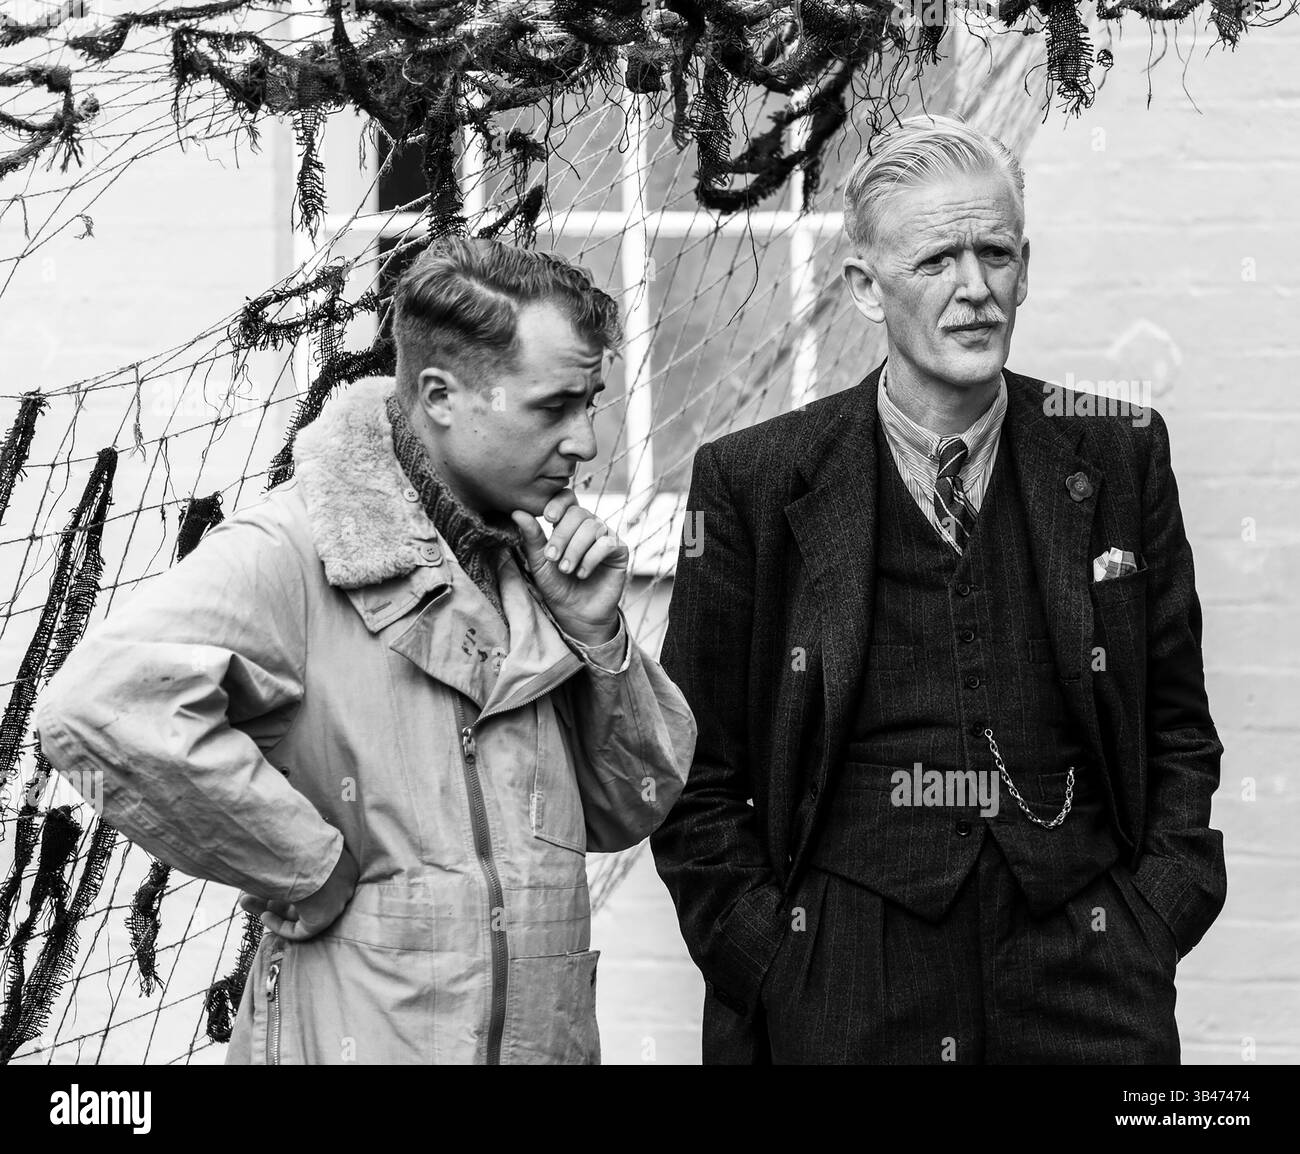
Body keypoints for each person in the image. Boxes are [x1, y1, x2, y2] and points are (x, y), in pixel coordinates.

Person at [36, 236, 696, 1065]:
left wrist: (598, 638)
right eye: (554, 407)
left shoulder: (532, 558)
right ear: (440, 394)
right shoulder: (297, 545)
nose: (587, 443)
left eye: (591, 403)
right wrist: (306, 864)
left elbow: (632, 805)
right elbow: (95, 708)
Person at [651, 115, 1225, 1064]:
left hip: (1086, 967)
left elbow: (1177, 725)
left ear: (1026, 266)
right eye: (936, 261)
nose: (975, 289)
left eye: (995, 253)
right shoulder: (755, 479)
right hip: (844, 978)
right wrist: (768, 958)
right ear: (865, 289)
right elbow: (694, 772)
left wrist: (1152, 920)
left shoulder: (1120, 451)